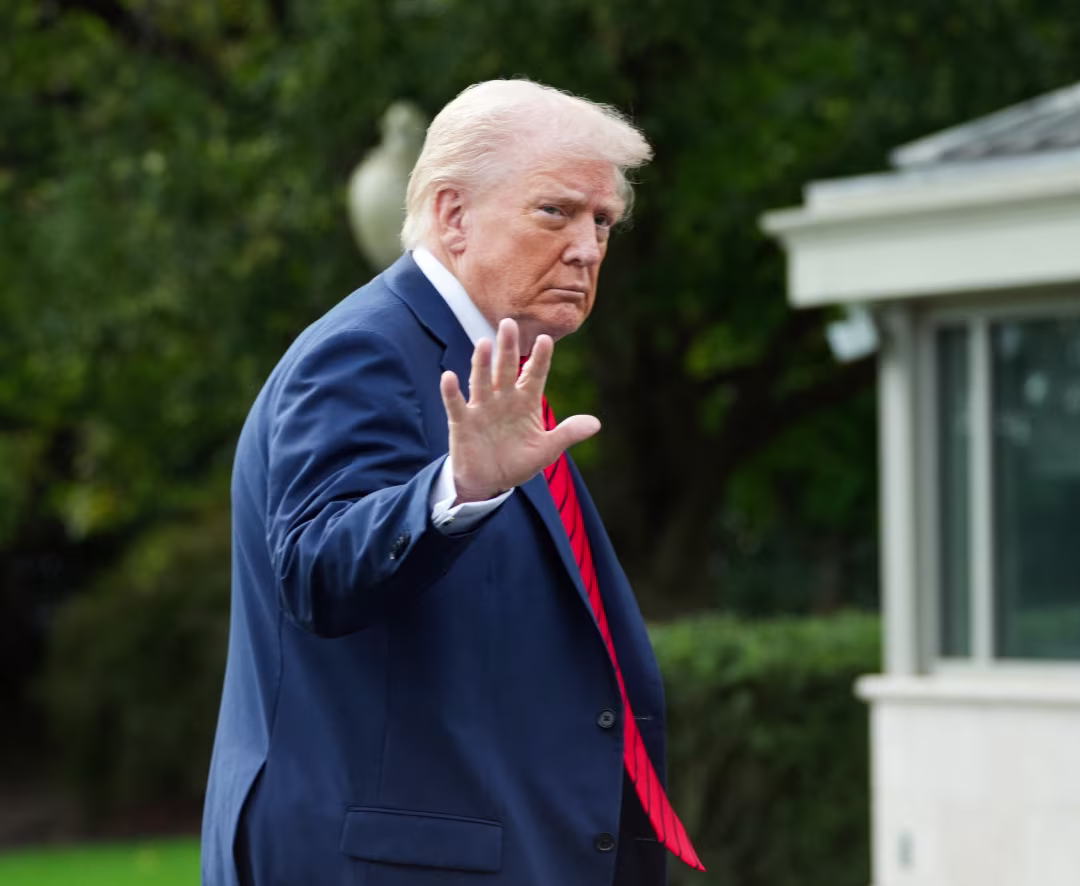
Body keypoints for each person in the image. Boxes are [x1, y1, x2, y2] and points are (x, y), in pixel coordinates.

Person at [201, 79, 703, 886]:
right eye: (556, 211)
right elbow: (317, 569)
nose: (587, 247)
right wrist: (455, 493)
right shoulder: (364, 350)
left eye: (602, 221)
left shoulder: (494, 369)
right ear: (453, 214)